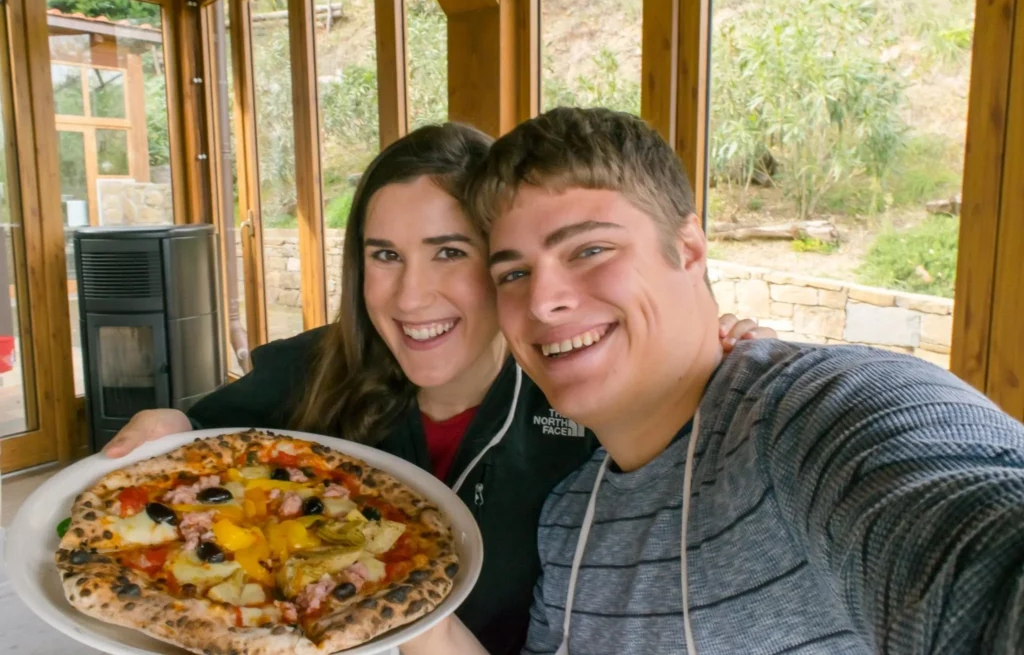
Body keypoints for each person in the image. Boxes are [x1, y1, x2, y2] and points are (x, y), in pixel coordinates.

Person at [101, 122, 774, 654]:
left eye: (450, 251)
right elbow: (197, 444)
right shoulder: (325, 362)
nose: (411, 295)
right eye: (384, 255)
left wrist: (721, 342)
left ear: (502, 263)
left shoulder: (584, 397)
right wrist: (166, 417)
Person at [403, 107, 1024, 655]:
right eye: (513, 274)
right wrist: (411, 605)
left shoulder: (805, 416)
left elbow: (978, 540)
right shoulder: (569, 517)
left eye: (589, 250)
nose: (544, 302)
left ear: (691, 249)